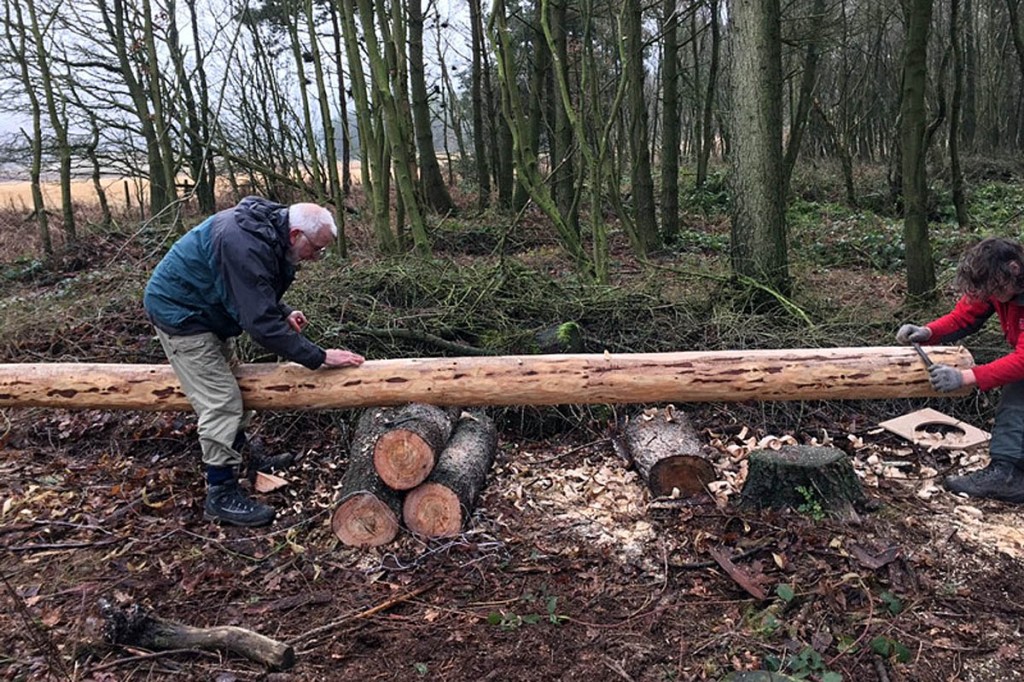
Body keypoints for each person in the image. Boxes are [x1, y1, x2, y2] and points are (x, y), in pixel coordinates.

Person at [144, 197, 365, 527]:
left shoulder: (266, 230)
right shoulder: (243, 242)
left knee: (237, 388)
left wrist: (283, 310)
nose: (317, 257)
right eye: (316, 248)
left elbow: (253, 287)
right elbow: (259, 324)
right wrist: (318, 357)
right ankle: (220, 492)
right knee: (221, 402)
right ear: (295, 235)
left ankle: (245, 458)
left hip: (208, 311)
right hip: (183, 316)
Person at [896, 236, 1024, 503]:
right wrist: (928, 332)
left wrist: (965, 377)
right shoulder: (997, 283)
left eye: (995, 290)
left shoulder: (1005, 281)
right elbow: (964, 316)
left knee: (1017, 394)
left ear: (1014, 268)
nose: (992, 296)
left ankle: (1006, 475)